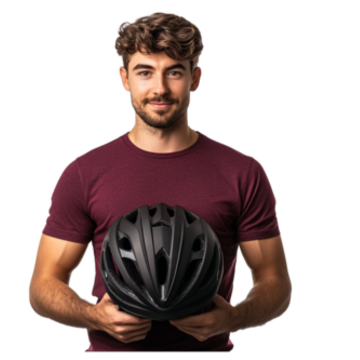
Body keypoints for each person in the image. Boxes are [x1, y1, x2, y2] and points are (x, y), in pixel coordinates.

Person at [26, 11, 294, 353]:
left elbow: (276, 282)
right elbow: (43, 285)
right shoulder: (83, 172)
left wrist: (233, 318)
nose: (160, 88)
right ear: (123, 78)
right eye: (145, 72)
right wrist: (95, 317)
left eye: (174, 72)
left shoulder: (242, 171)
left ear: (196, 79)